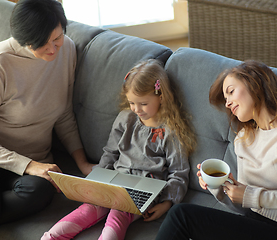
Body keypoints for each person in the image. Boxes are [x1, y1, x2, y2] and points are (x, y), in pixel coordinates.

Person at [155, 60, 277, 240]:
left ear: (254, 83)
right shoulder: (244, 139)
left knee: (182, 217)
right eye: (225, 99)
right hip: (255, 223)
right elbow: (247, 206)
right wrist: (220, 189)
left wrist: (253, 195)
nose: (227, 104)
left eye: (231, 92)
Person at [41, 59, 196, 240]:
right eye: (132, 103)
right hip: (114, 181)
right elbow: (110, 153)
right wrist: (95, 183)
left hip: (144, 190)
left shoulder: (170, 131)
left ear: (161, 96)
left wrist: (167, 203)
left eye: (143, 104)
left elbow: (178, 172)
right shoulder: (125, 119)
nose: (137, 109)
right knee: (87, 210)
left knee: (117, 216)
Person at [0, 0, 94, 239]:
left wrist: (82, 162)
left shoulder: (67, 50)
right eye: (42, 43)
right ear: (24, 39)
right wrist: (30, 166)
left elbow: (63, 114)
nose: (53, 49)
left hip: (30, 168)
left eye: (57, 37)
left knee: (42, 191)